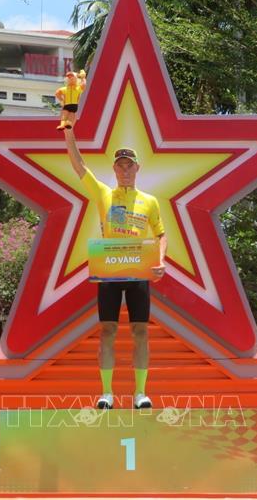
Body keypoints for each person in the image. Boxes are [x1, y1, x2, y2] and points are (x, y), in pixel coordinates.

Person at [64, 128, 167, 409]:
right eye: (120, 166)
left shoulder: (150, 201)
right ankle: (107, 393)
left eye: (129, 166)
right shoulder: (103, 194)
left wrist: (160, 260)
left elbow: (161, 234)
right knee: (107, 330)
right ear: (114, 169)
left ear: (137, 168)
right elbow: (79, 166)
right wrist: (69, 132)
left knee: (140, 331)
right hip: (109, 271)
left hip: (138, 272)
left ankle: (140, 394)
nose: (125, 170)